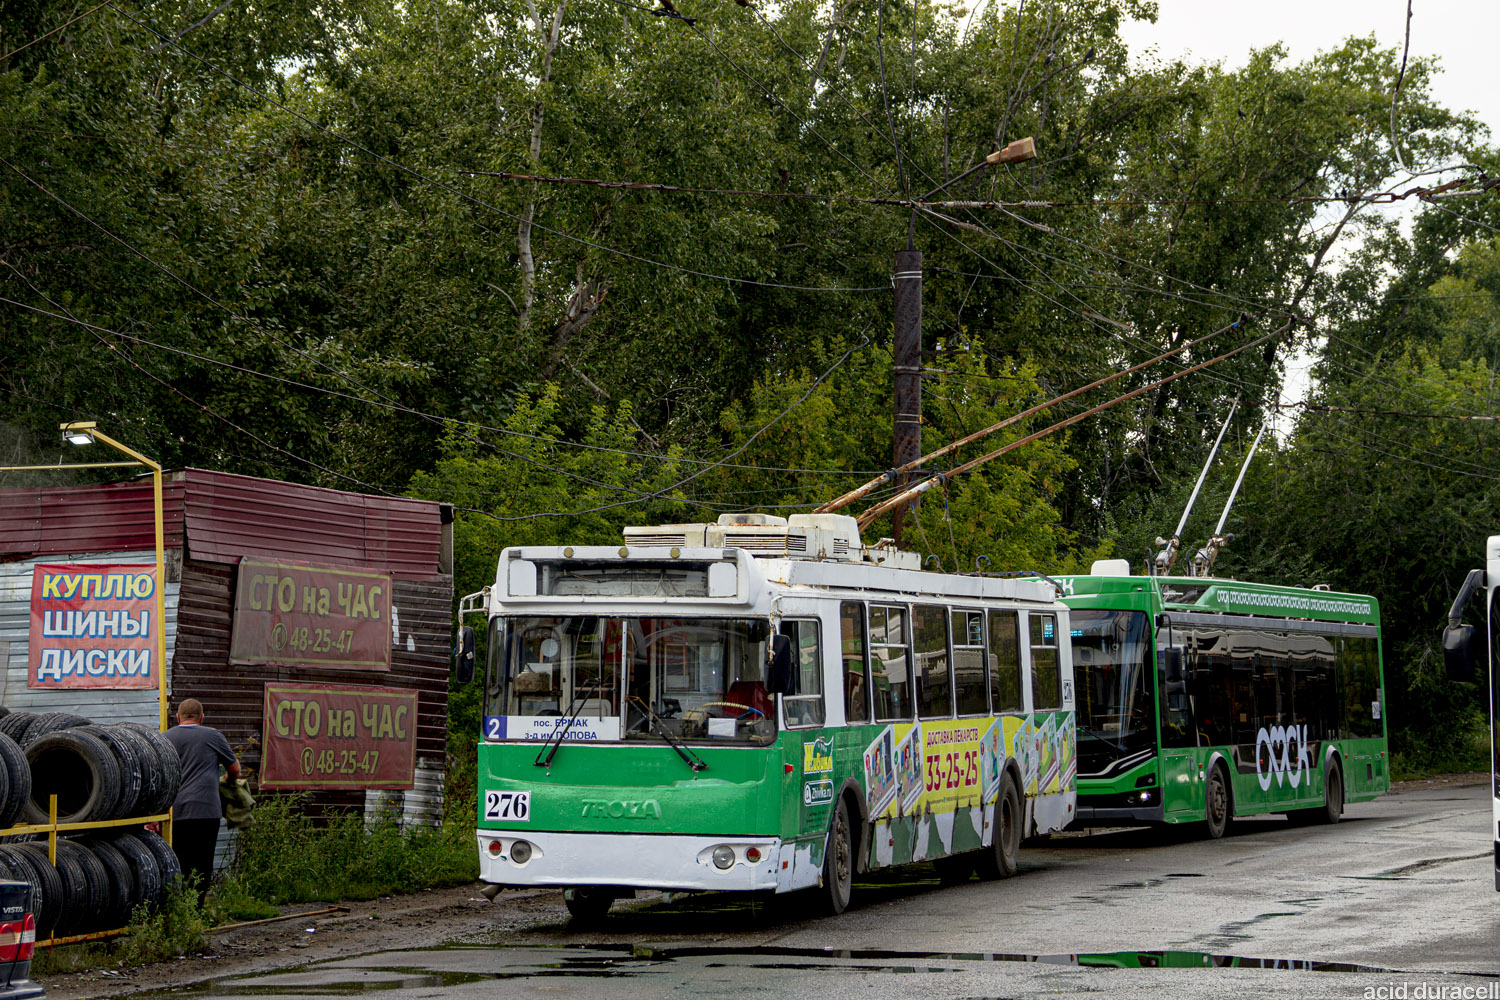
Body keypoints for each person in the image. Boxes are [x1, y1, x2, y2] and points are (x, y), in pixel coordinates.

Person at [164, 698, 240, 901]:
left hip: (176, 812)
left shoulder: (165, 738)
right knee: (203, 861)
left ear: (178, 717)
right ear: (202, 717)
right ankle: (196, 908)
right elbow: (235, 769)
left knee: (179, 860)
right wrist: (227, 780)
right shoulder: (213, 736)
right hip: (206, 811)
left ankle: (179, 908)